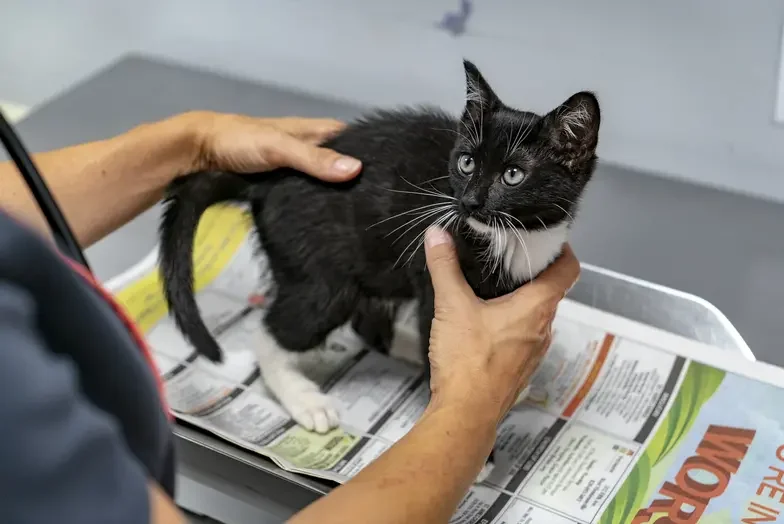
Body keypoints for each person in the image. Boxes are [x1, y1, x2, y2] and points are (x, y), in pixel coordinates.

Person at [0, 110, 579, 523]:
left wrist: (194, 142)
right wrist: (472, 407)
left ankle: (369, 328)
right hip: (325, 232)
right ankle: (277, 360)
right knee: (320, 303)